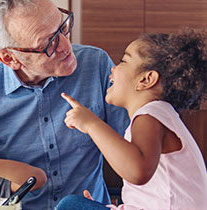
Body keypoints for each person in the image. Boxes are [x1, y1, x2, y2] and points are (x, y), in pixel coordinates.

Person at [0, 0, 129, 209]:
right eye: (48, 44)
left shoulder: (97, 65)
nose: (66, 46)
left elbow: (132, 149)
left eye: (62, 28)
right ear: (10, 58)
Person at [58, 29, 207, 209]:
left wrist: (91, 123)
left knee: (70, 205)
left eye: (123, 61)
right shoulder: (159, 115)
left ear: (146, 79)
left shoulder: (150, 116)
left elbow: (137, 172)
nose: (113, 68)